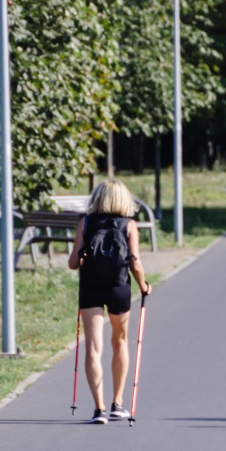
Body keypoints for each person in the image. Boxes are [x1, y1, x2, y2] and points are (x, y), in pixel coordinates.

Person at [67, 179, 152, 424]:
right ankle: (117, 404)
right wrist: (143, 286)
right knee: (120, 341)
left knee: (93, 347)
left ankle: (99, 410)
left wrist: (84, 256)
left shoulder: (86, 223)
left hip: (90, 288)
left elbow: (72, 264)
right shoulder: (129, 225)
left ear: (98, 197)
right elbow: (135, 263)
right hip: (119, 289)